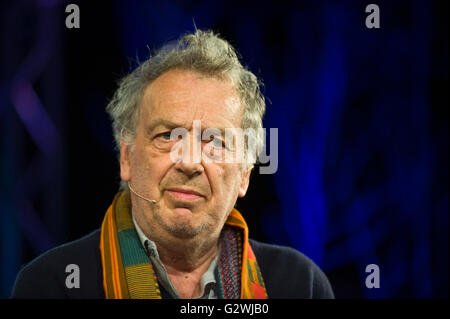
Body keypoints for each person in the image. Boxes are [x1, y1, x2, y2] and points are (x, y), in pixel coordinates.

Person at [11, 30, 334, 299]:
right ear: (126, 157)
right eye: (167, 136)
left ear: (245, 175)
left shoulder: (299, 285)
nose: (190, 162)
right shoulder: (52, 285)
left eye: (216, 142)